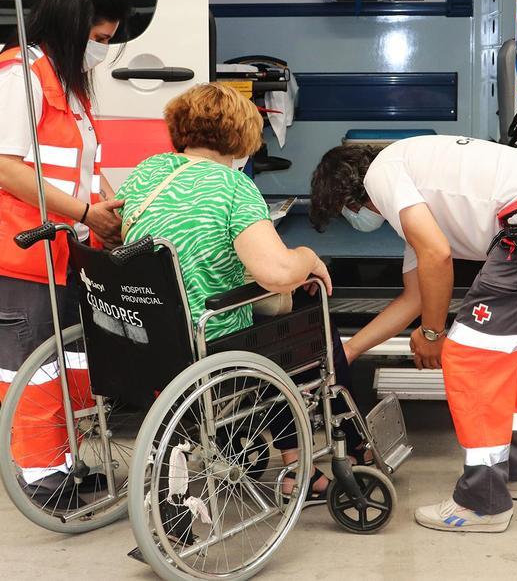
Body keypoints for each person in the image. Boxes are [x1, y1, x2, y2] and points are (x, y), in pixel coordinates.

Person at [309, 135, 517, 532]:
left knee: (470, 357)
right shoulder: (416, 190)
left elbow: (437, 255)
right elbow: (415, 296)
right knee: (514, 355)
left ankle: (482, 503)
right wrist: (346, 352)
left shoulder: (382, 173)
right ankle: (514, 472)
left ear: (348, 196)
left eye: (344, 212)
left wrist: (433, 335)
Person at [0, 0, 128, 510]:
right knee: (28, 364)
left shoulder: (62, 81)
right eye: (99, 39)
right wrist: (86, 215)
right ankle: (41, 480)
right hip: (11, 248)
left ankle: (66, 463)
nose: (104, 51)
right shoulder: (18, 77)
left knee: (66, 361)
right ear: (73, 25)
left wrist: (115, 207)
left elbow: (82, 168)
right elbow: (5, 169)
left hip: (56, 245)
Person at [115, 82, 346, 501]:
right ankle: (302, 466)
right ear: (243, 136)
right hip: (208, 340)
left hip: (140, 331)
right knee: (300, 315)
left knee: (273, 318)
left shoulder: (147, 171)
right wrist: (309, 256)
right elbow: (276, 272)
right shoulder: (235, 188)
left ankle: (287, 455)